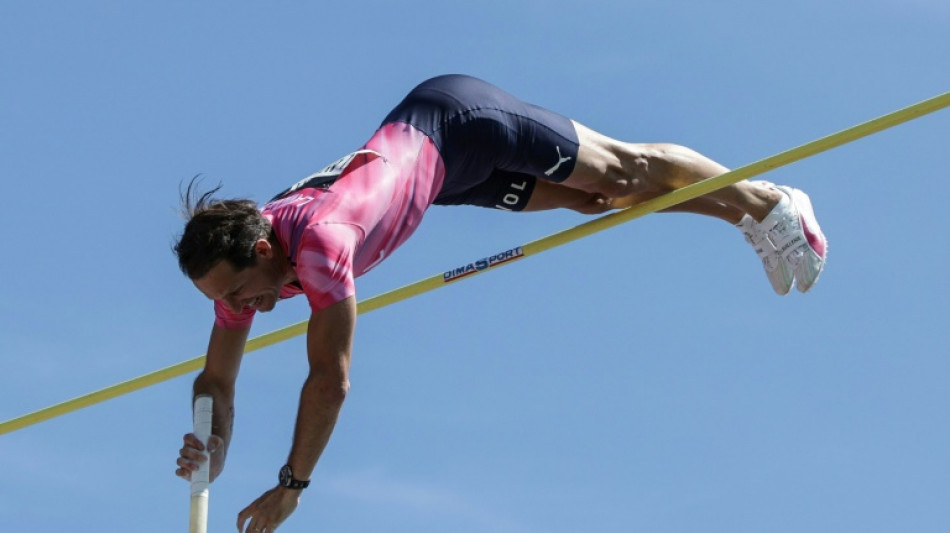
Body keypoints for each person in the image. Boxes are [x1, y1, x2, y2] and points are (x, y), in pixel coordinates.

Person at [172, 74, 827, 532]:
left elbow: (330, 380)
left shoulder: (320, 245)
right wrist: (215, 440)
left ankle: (769, 204)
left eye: (238, 293)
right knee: (595, 201)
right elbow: (216, 377)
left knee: (626, 174)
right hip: (444, 179)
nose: (243, 309)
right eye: (224, 302)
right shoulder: (251, 269)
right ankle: (753, 211)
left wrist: (292, 486)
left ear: (262, 251)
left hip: (458, 122)